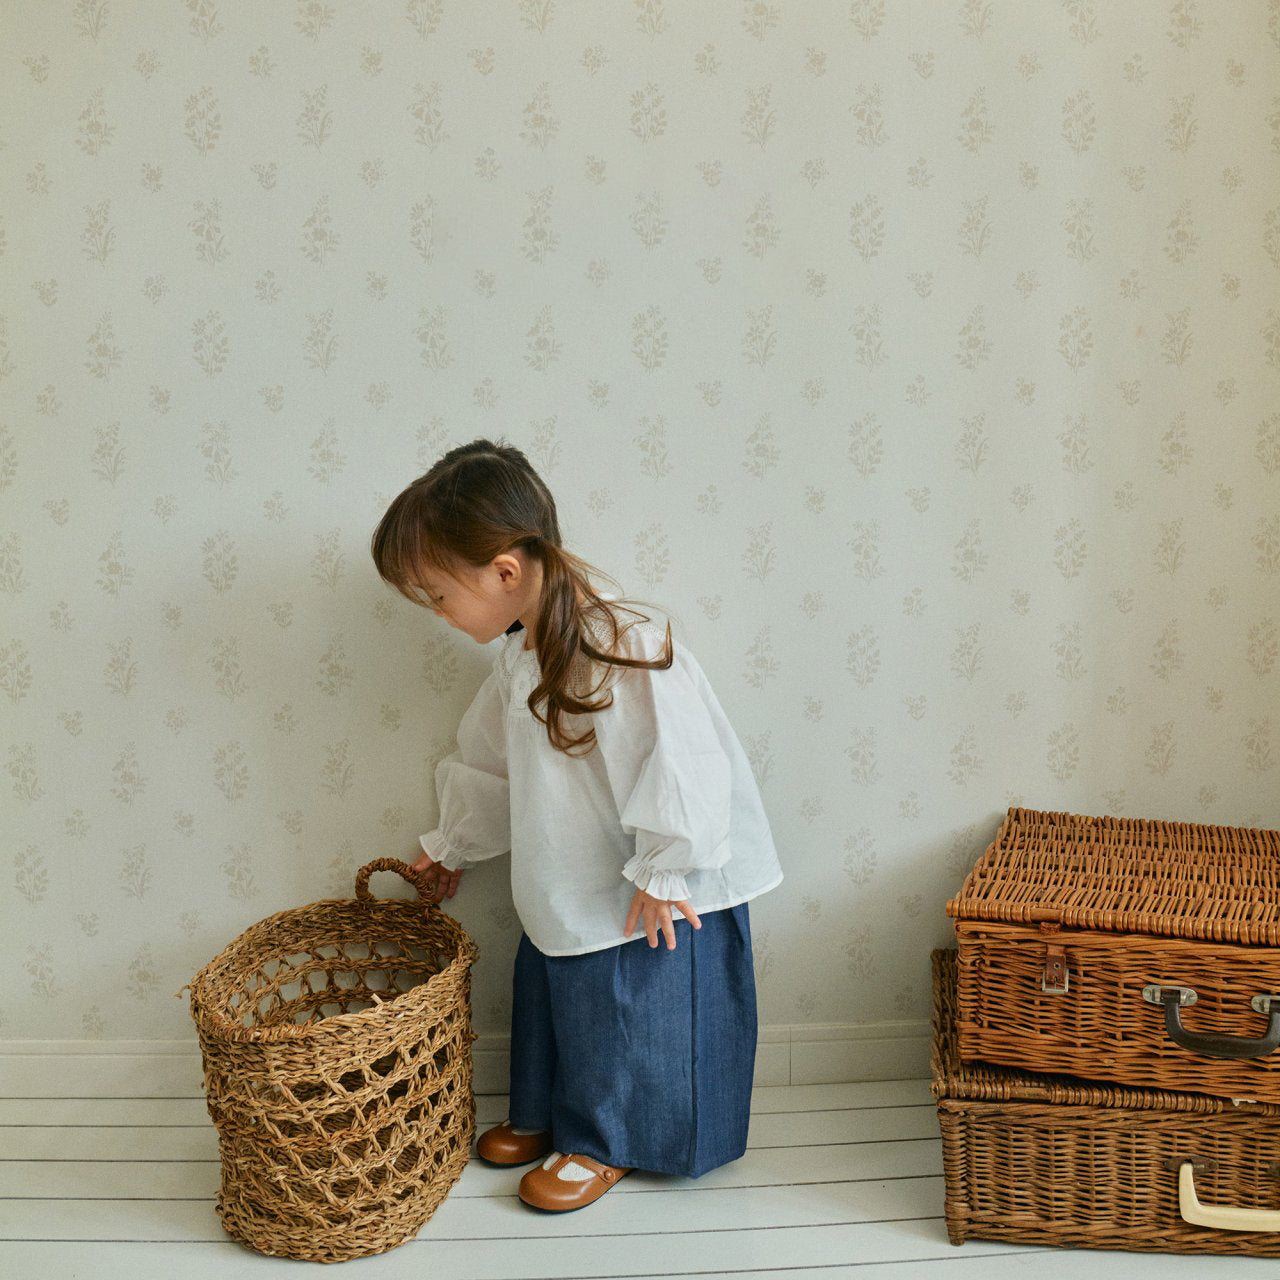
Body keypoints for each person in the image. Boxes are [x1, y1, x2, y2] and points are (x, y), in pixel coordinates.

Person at [369, 437, 783, 1212]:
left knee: (633, 1007)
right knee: (565, 989)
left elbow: (685, 759)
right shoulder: (519, 659)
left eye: (437, 595)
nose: (437, 615)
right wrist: (450, 844)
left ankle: (606, 1140)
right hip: (569, 875)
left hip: (655, 890)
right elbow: (489, 763)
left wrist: (668, 866)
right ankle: (553, 1115)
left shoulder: (624, 646)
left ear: (504, 571)